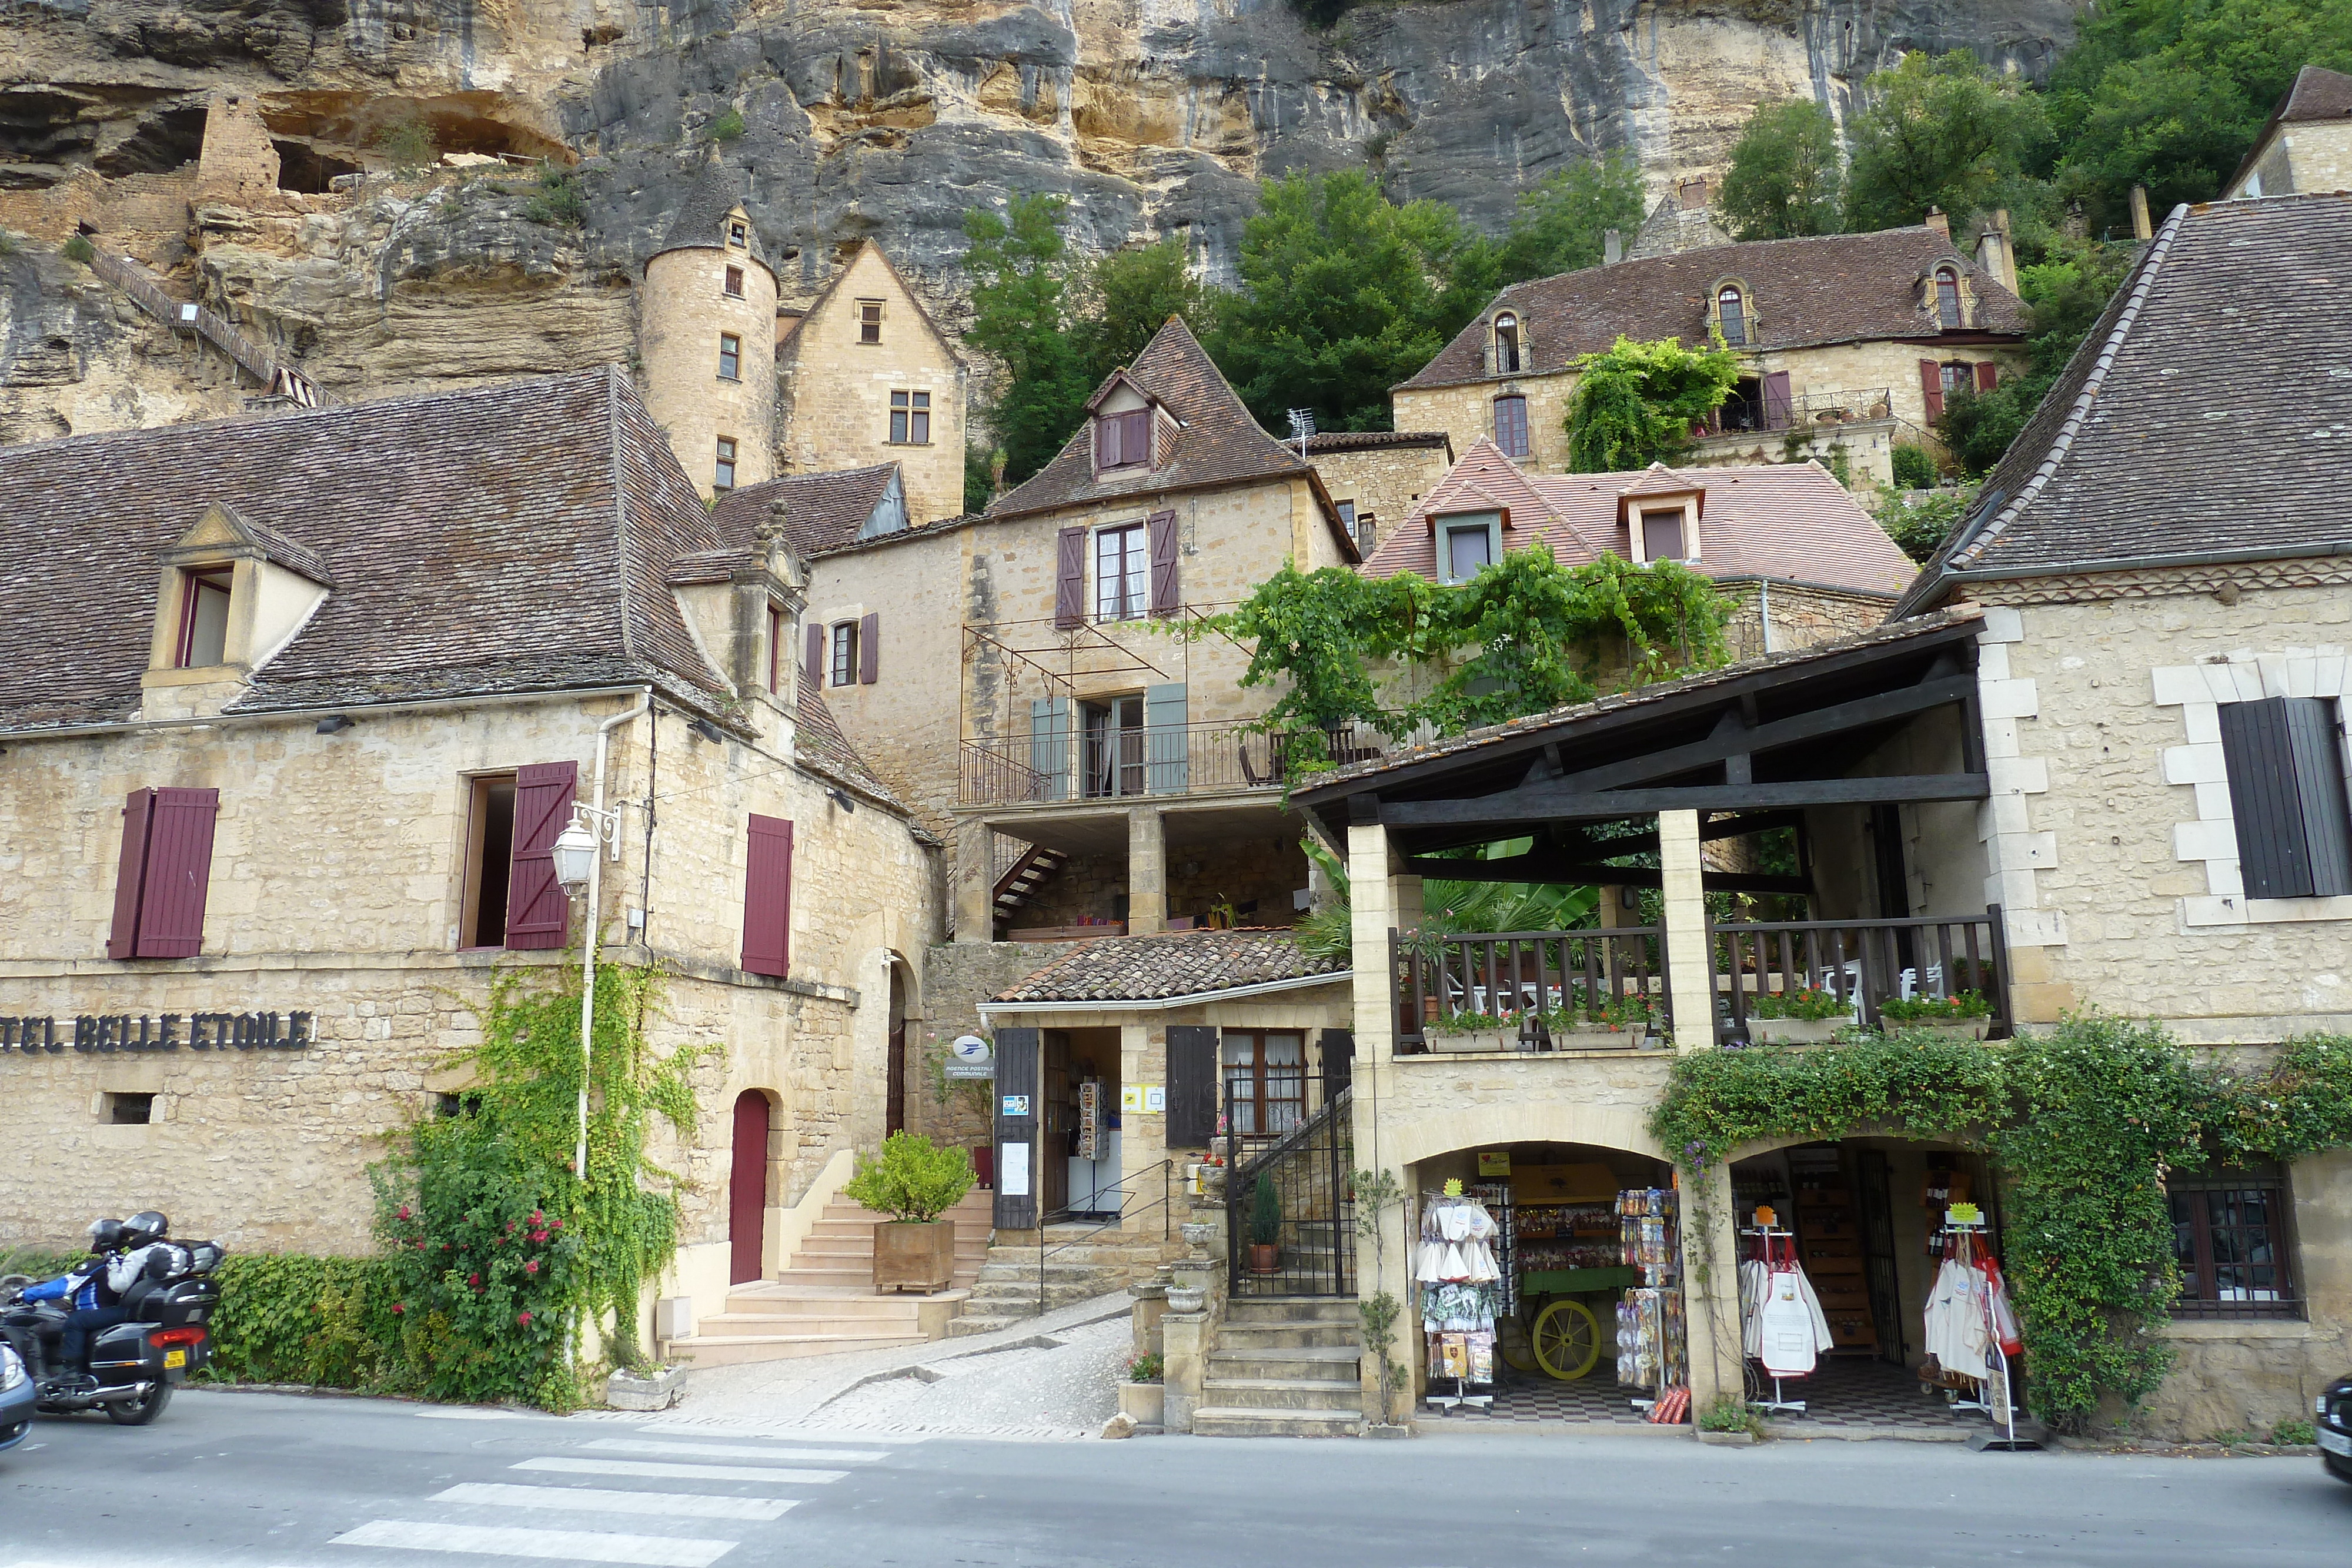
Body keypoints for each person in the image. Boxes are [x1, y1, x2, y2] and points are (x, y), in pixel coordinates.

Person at [21, 1219, 128, 1379]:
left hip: (92, 1315)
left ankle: (40, 1379)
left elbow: (63, 1287)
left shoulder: (97, 1265)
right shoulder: (127, 1263)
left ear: (105, 1239)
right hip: (110, 1315)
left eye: (97, 1237)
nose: (95, 1240)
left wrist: (27, 1294)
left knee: (34, 1332)